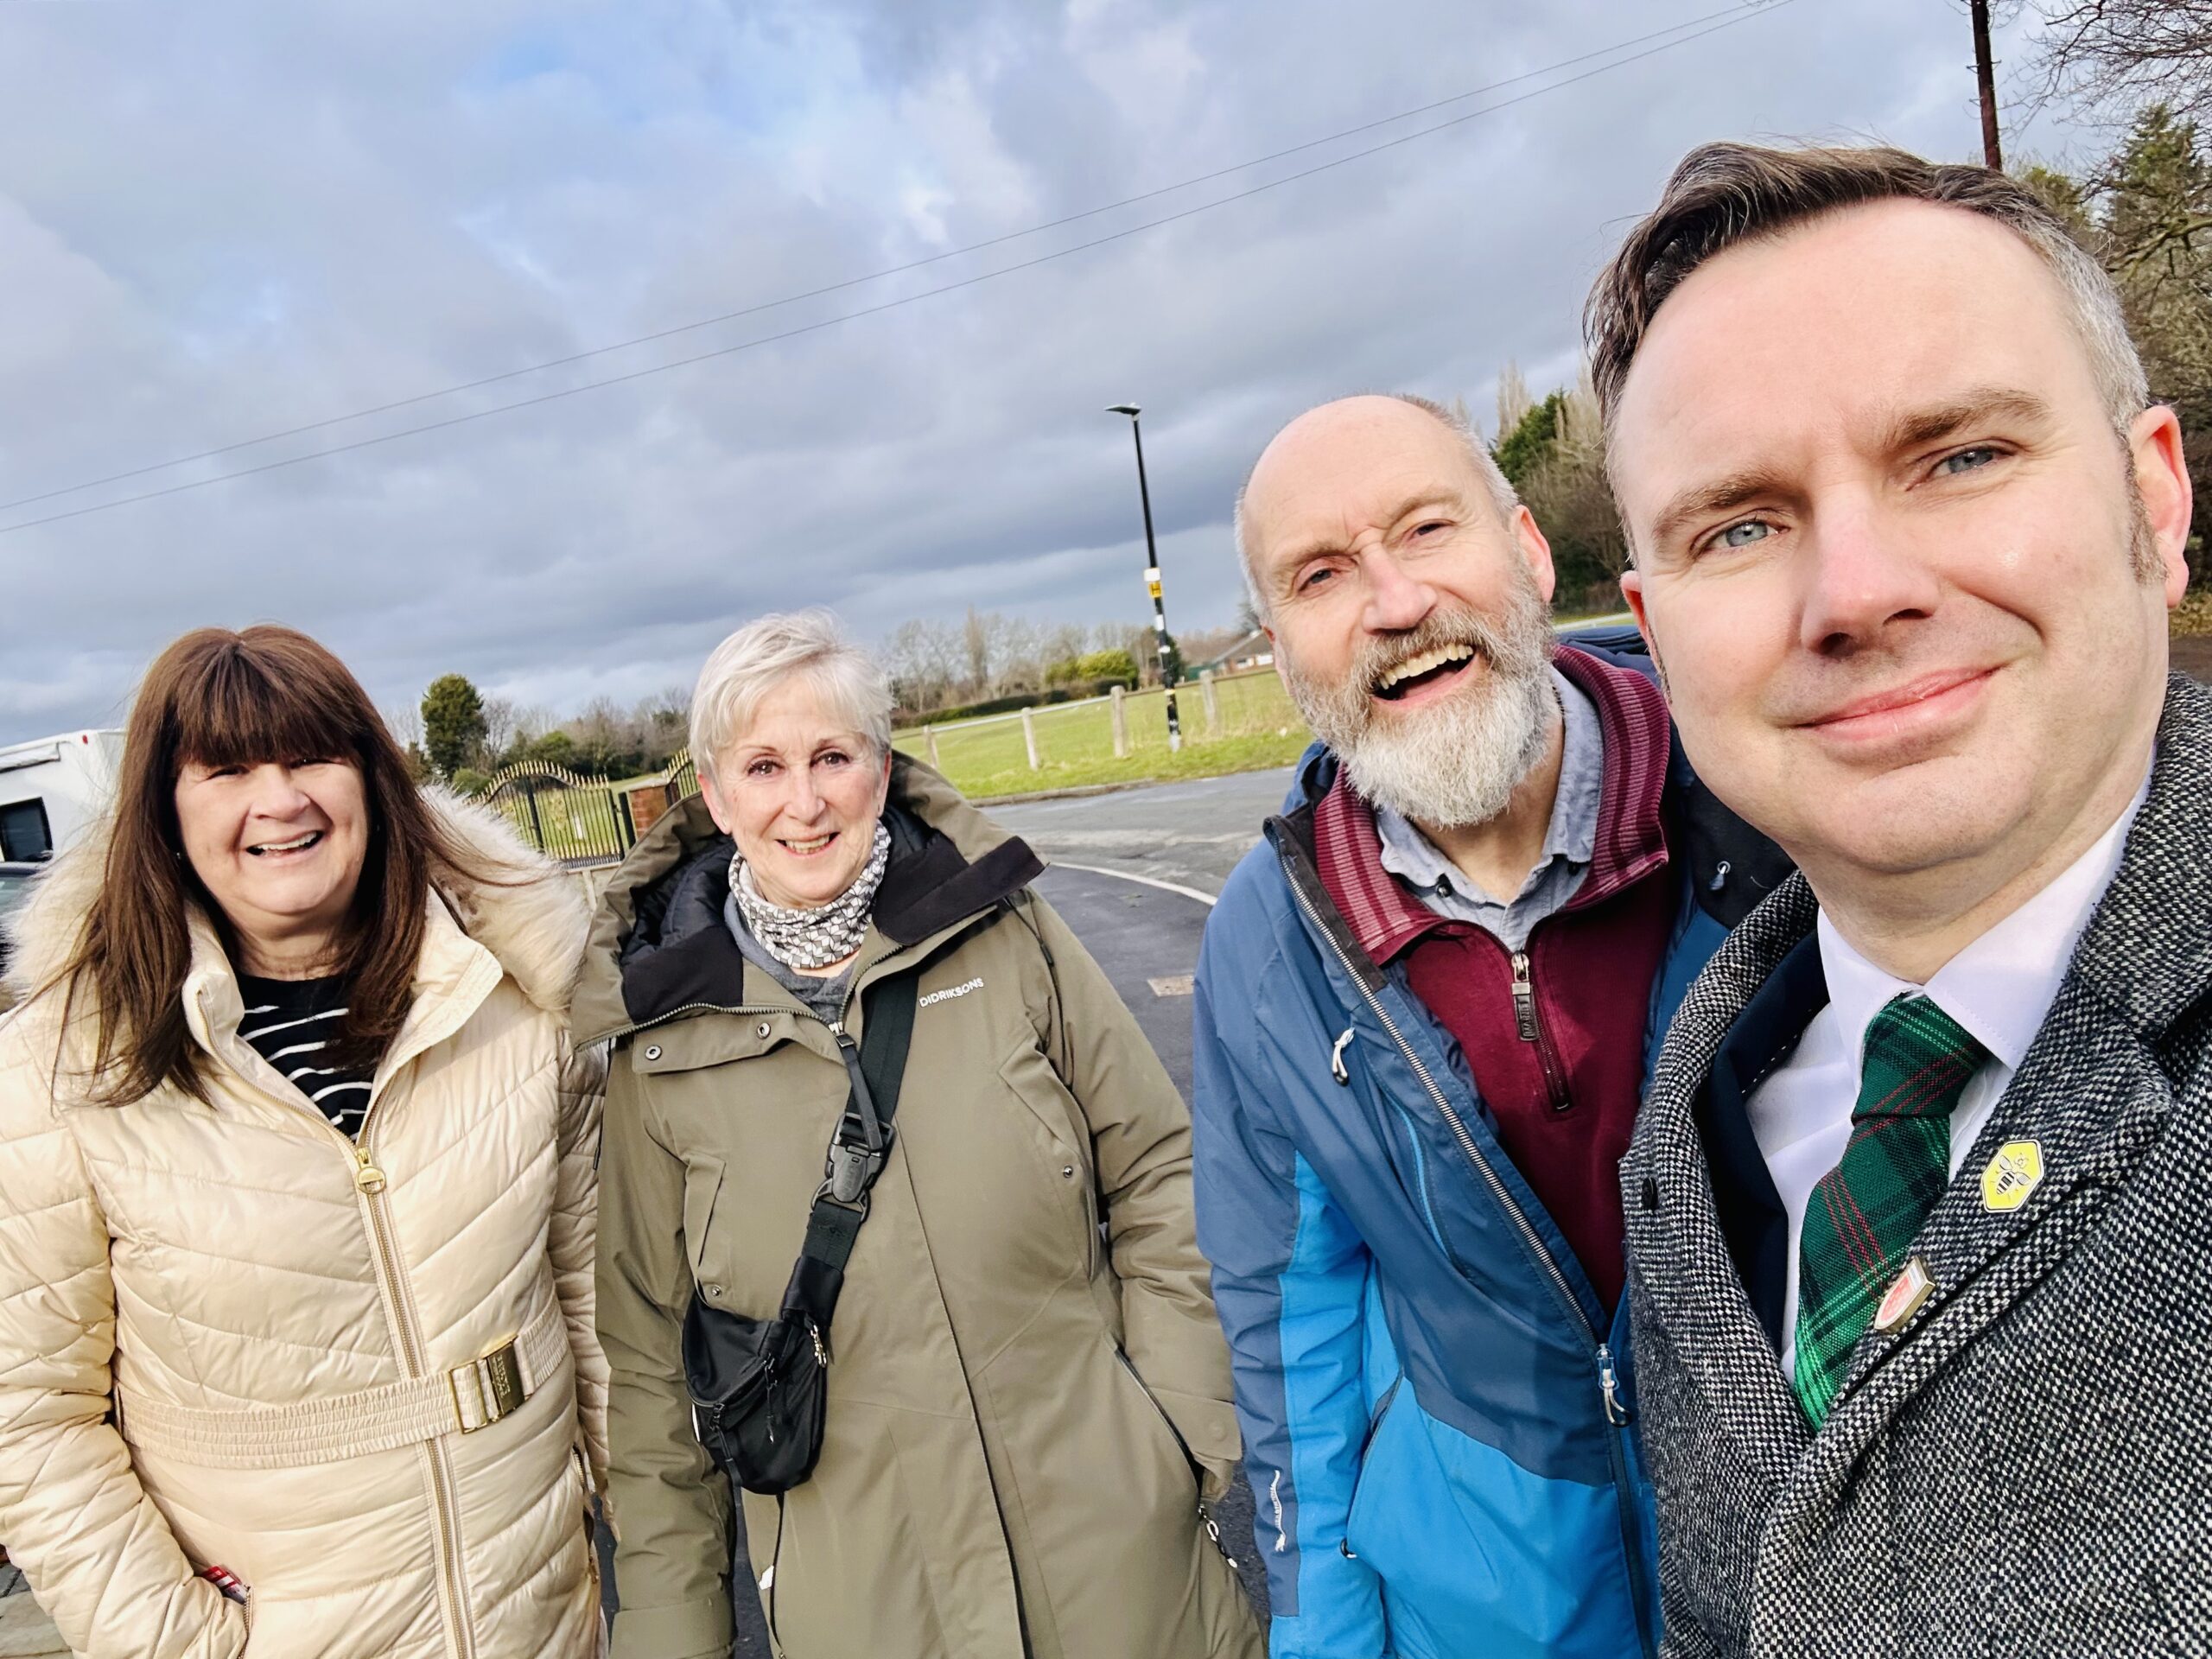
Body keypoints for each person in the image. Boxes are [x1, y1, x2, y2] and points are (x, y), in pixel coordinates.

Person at [1592, 142, 2207, 1656]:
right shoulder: (1698, 1119)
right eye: (1739, 525)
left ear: (2157, 496)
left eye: (1961, 457)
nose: (1855, 591)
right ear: (1657, 636)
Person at [1190, 393, 1784, 1659]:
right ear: (1282, 647)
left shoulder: (1755, 799)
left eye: (1425, 529)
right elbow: (1284, 1319)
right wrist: (1325, 1638)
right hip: (1487, 1606)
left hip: (1800, 1554)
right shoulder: (1266, 942)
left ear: (1526, 546)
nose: (1393, 604)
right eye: (1322, 575)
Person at [586, 609, 1262, 1659]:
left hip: (1129, 1578)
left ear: (882, 765)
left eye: (831, 756)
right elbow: (648, 1381)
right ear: (714, 798)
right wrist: (675, 1635)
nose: (803, 803)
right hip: (867, 1615)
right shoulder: (660, 1050)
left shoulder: (1007, 931)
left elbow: (1159, 1168)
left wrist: (1178, 1430)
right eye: (762, 767)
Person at [0, 626, 607, 1659]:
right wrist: (185, 1644)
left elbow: (593, 1300)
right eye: (229, 768)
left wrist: (645, 1543)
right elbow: (31, 1422)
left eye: (312, 756)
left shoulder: (517, 1005)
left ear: (371, 778)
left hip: (543, 1620)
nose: (280, 801)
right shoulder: (63, 1070)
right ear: (165, 808)